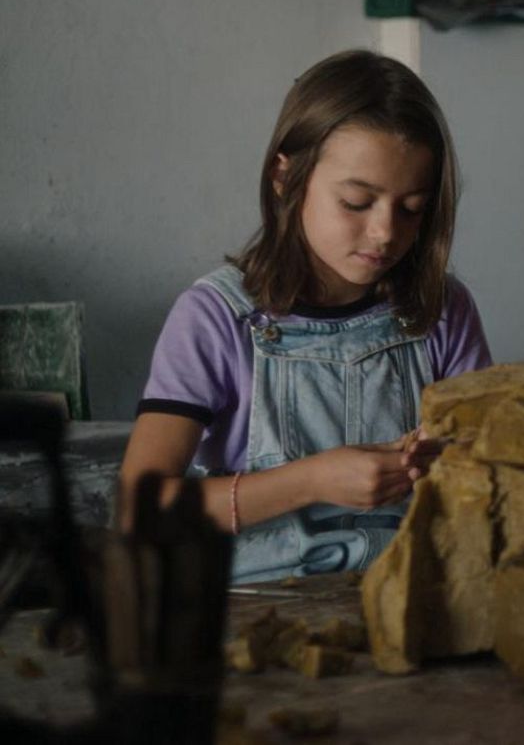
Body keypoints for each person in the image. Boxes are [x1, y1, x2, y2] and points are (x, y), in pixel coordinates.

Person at [120, 49, 492, 583]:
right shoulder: (214, 318)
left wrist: (448, 462)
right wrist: (313, 480)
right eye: (357, 202)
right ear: (285, 175)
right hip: (258, 603)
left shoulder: (442, 310)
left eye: (411, 208)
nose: (386, 232)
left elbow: (485, 474)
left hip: (412, 587)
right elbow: (141, 512)